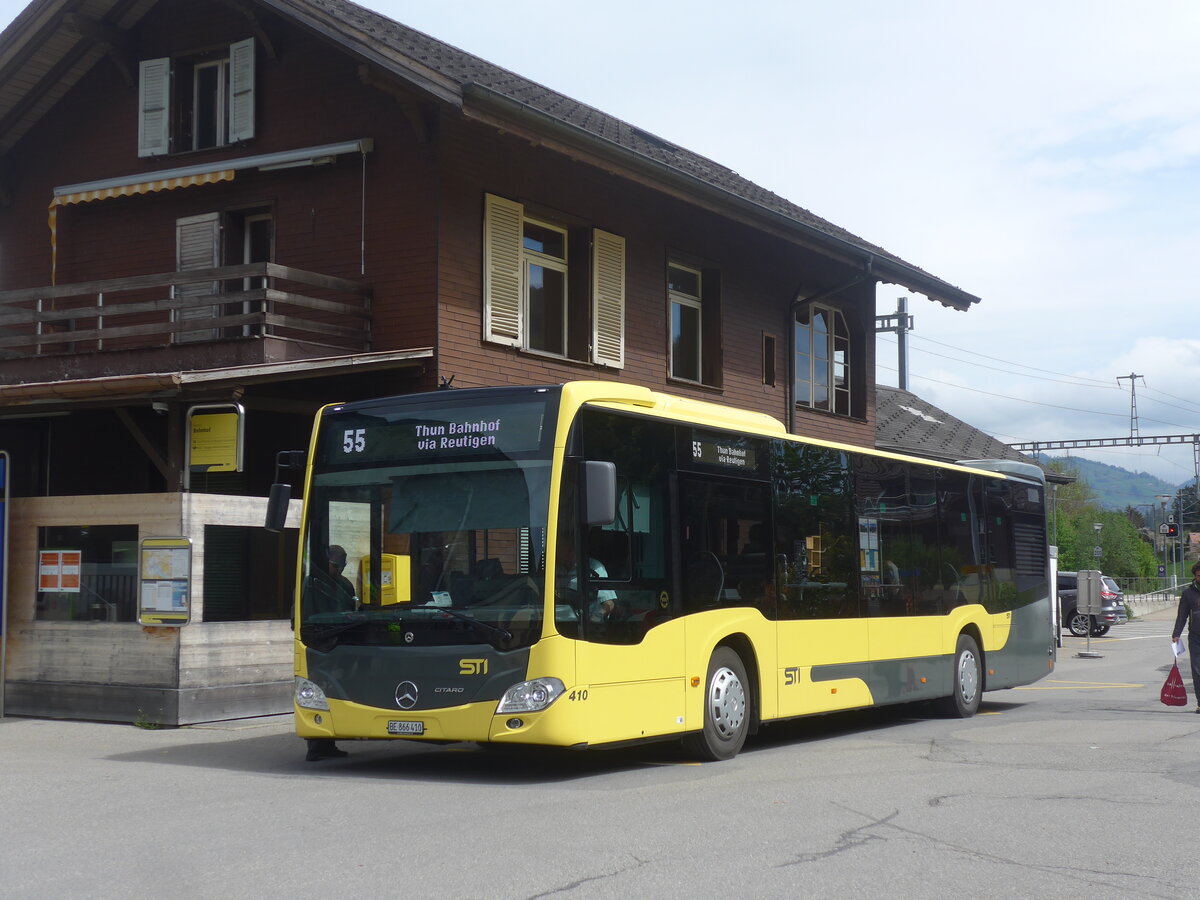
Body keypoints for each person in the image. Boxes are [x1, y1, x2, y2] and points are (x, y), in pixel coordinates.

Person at [305, 545, 356, 761]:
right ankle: (317, 745)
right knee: (318, 693)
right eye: (335, 565)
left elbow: (352, 612)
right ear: (326, 562)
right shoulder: (310, 585)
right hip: (319, 642)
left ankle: (328, 742)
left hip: (341, 642)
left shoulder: (345, 585)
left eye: (342, 566)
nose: (339, 570)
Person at [1170, 560, 1200, 713]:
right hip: (1195, 637)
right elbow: (1182, 615)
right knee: (1197, 670)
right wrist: (1176, 634)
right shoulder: (1188, 594)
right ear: (1195, 576)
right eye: (1199, 576)